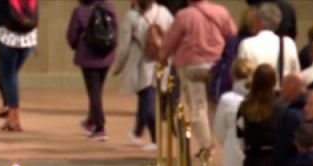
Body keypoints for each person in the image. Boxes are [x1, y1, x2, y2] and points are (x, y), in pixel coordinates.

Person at [156, 0, 235, 152]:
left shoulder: (184, 15)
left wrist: (163, 56)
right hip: (217, 65)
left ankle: (206, 145)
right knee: (213, 105)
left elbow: (171, 40)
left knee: (198, 107)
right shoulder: (221, 12)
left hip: (191, 65)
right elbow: (231, 35)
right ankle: (217, 141)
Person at [111, 0, 171, 150]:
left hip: (142, 62)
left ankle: (155, 140)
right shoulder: (164, 13)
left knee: (147, 99)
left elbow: (124, 46)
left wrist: (118, 66)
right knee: (145, 97)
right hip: (162, 61)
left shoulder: (131, 16)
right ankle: (137, 132)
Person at [66, 0, 117, 141]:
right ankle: (91, 121)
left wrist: (78, 45)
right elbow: (114, 30)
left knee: (94, 92)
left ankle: (100, 128)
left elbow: (72, 36)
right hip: (106, 56)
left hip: (88, 58)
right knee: (97, 90)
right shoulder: (109, 8)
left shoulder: (80, 12)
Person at [0, 0, 38, 132]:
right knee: (12, 76)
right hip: (28, 37)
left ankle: (14, 118)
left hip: (7, 36)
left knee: (8, 76)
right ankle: (12, 117)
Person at [234, 2, 297, 84]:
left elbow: (241, 77)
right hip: (283, 94)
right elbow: (296, 75)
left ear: (261, 22)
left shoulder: (247, 44)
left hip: (256, 94)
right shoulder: (289, 44)